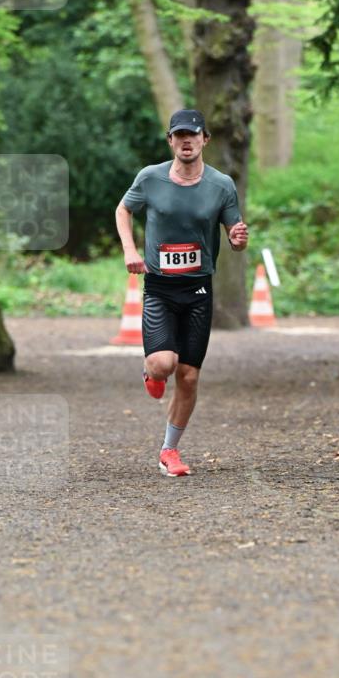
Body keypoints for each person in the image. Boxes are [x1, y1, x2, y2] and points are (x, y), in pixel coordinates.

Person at [115, 109, 249, 477]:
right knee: (164, 364)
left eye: (193, 135)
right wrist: (130, 250)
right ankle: (151, 373)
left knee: (188, 376)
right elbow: (123, 210)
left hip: (199, 287)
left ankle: (169, 451)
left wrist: (237, 239)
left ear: (205, 139)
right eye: (179, 135)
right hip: (160, 286)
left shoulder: (221, 184)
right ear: (170, 141)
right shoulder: (150, 178)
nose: (186, 141)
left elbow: (234, 235)